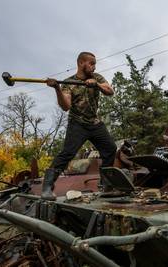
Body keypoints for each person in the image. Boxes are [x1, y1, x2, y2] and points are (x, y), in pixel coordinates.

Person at [42, 52, 117, 200]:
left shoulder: (97, 78)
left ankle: (107, 186)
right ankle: (47, 188)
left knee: (110, 149)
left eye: (95, 64)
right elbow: (66, 106)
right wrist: (57, 88)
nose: (94, 67)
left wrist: (97, 85)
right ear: (82, 63)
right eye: (92, 63)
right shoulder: (69, 82)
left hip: (94, 123)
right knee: (67, 154)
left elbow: (110, 91)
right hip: (77, 123)